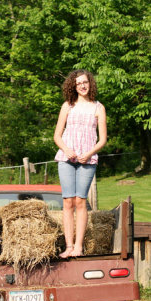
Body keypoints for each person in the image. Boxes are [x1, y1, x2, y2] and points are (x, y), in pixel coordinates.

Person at [54, 69, 107, 258]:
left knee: (80, 201)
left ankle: (79, 247)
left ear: (90, 84)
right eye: (78, 84)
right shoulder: (67, 106)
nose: (82, 86)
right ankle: (68, 247)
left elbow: (102, 140)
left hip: (87, 159)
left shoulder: (98, 108)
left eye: (85, 82)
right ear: (73, 86)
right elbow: (57, 136)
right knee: (68, 201)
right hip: (66, 159)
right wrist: (67, 150)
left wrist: (88, 153)